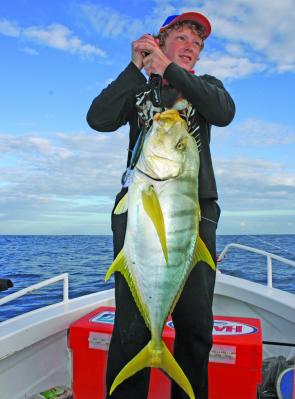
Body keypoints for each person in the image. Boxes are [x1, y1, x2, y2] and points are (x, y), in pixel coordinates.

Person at [87, 11, 235, 399]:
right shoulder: (138, 90)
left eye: (198, 44)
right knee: (132, 327)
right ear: (160, 40)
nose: (192, 48)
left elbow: (223, 111)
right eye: (183, 38)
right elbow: (98, 118)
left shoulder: (206, 88)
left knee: (196, 326)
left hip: (195, 215)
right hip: (140, 210)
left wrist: (171, 68)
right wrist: (135, 67)